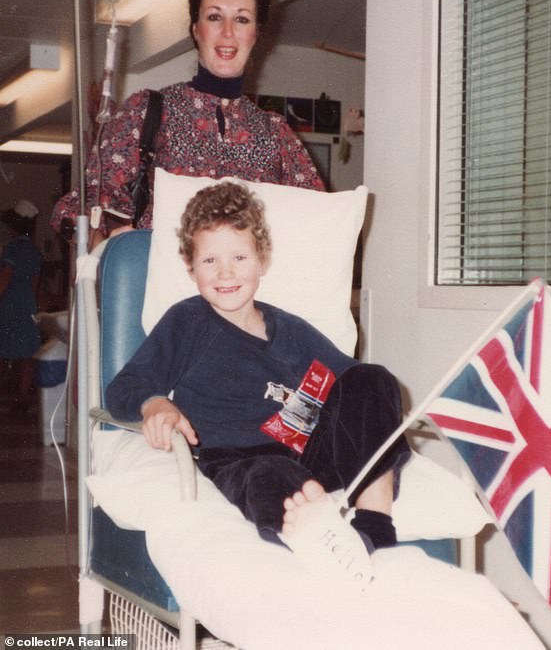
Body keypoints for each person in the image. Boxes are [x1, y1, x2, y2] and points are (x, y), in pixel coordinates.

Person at [106, 182, 410, 589]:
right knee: (269, 473)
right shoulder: (188, 321)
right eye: (209, 260)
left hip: (306, 450)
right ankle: (316, 536)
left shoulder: (290, 328)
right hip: (237, 459)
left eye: (238, 257)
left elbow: (350, 385)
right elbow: (127, 384)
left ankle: (375, 531)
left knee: (372, 378)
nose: (225, 272)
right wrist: (156, 403)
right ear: (190, 268)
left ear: (261, 261)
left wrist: (368, 410)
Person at [50, 0, 324, 244]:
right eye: (214, 17)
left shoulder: (275, 133)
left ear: (256, 34)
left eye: (242, 19)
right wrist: (109, 243)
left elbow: (320, 218)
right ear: (196, 29)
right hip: (164, 282)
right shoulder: (147, 111)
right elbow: (79, 208)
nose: (228, 32)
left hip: (247, 285)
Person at [0, 199, 43, 413]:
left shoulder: (12, 248)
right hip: (27, 306)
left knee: (3, 350)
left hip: (9, 305)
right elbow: (34, 285)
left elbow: (5, 280)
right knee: (26, 354)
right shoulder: (35, 252)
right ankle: (23, 398)